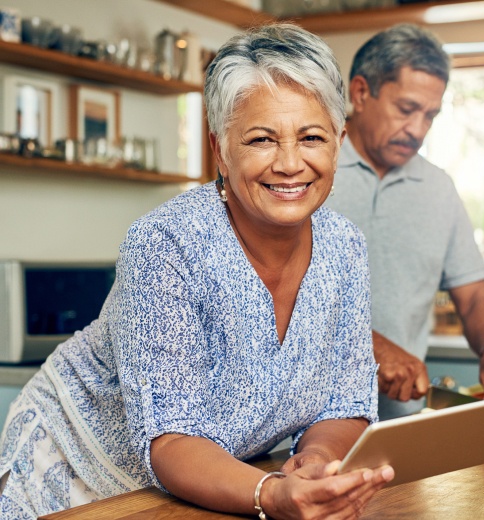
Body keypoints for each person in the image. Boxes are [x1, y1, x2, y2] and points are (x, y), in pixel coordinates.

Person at [0, 23, 394, 519]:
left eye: (311, 137)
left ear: (337, 143)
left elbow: (345, 403)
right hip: (77, 471)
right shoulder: (166, 244)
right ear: (220, 149)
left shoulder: (345, 248)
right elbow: (173, 438)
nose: (291, 163)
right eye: (261, 139)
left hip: (220, 484)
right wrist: (272, 493)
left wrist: (311, 462)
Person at [324, 23, 484, 420]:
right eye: (406, 110)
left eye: (430, 116)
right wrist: (369, 347)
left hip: (398, 421)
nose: (417, 130)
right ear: (360, 93)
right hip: (294, 431)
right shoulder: (307, 169)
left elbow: (472, 296)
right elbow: (276, 294)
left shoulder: (438, 188)